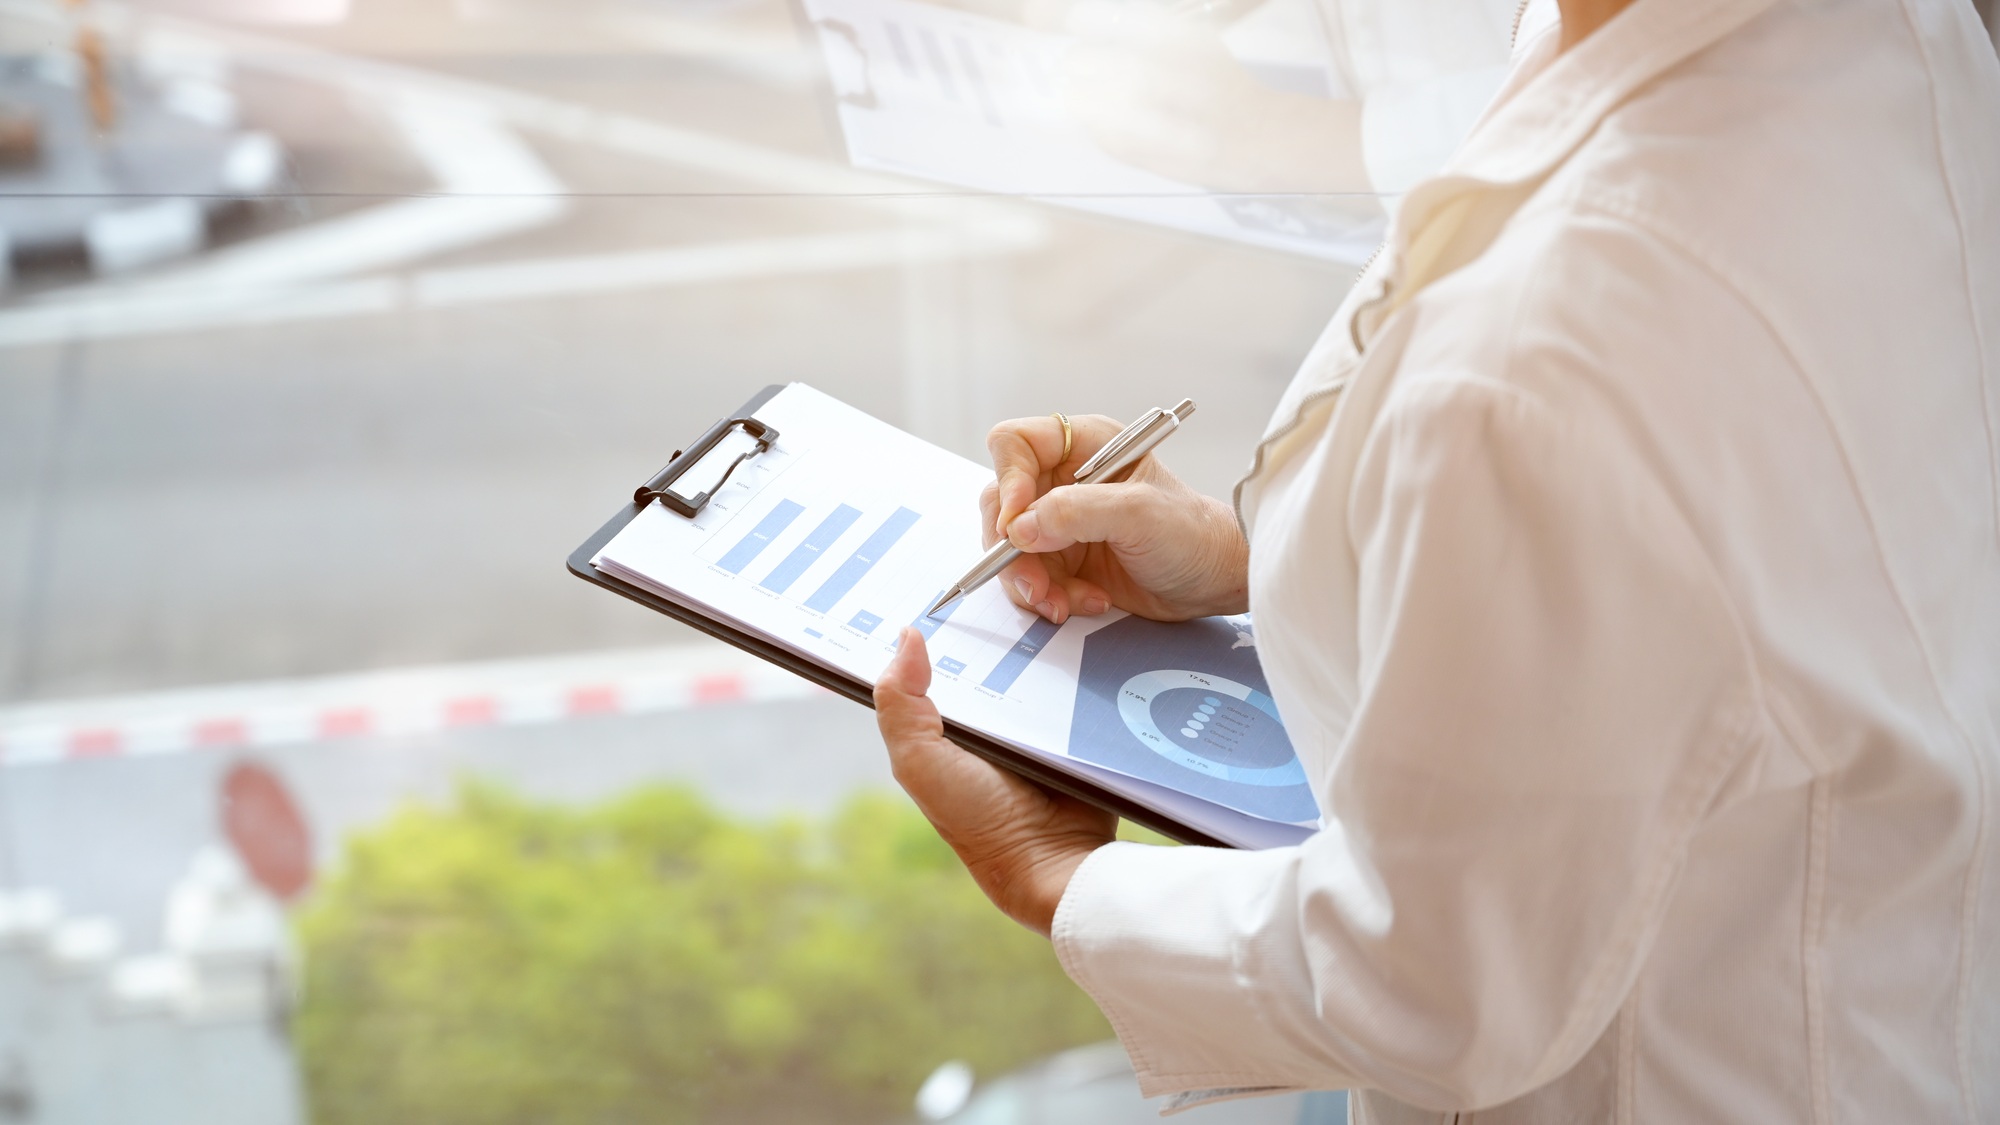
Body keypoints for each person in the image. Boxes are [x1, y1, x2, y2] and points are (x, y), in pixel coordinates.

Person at [873, 0, 2000, 1119]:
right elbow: (1721, 579)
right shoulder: (1887, 35)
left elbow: (1433, 985)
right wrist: (1260, 563)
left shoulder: (1554, 342)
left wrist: (1052, 873)